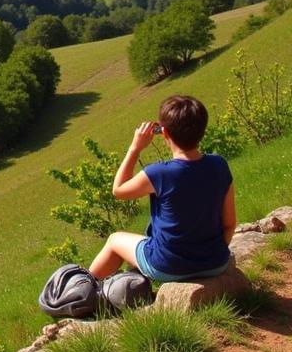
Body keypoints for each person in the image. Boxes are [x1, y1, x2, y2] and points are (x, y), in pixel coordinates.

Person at [88, 94, 236, 282]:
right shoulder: (219, 165)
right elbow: (230, 224)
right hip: (216, 263)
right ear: (203, 130)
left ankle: (86, 291)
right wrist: (210, 256)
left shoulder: (159, 174)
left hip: (168, 266)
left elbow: (118, 190)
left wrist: (135, 148)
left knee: (115, 240)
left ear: (164, 133)